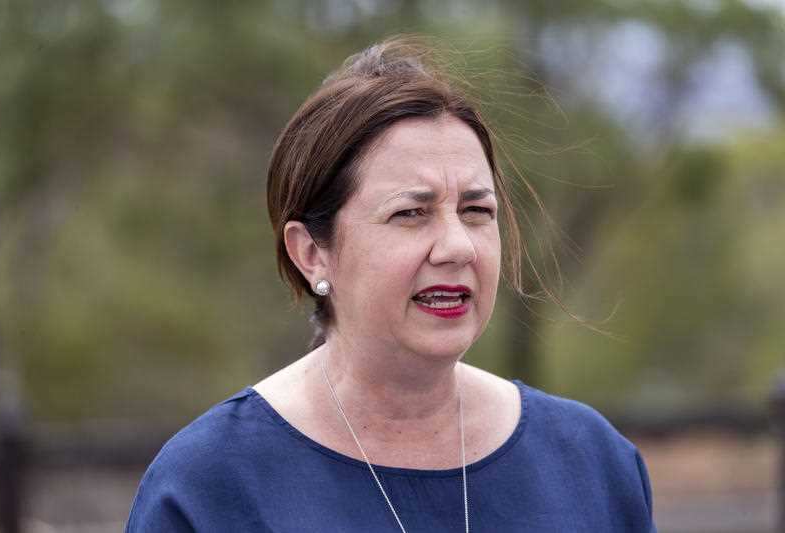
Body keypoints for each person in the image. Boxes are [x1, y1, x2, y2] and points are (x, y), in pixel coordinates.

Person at [126, 36, 657, 532]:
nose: (457, 247)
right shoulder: (209, 486)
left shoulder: (592, 464)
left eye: (476, 210)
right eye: (410, 213)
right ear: (312, 252)